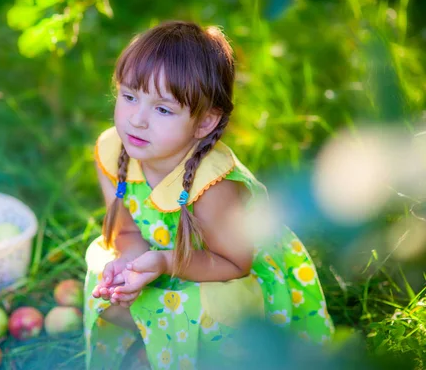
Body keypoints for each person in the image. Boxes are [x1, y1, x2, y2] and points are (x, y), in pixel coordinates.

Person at [83, 20, 335, 370]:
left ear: (204, 123)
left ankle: (200, 355)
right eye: (129, 96)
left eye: (162, 109)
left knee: (217, 307)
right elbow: (124, 230)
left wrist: (164, 262)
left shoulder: (213, 187)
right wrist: (132, 263)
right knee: (103, 277)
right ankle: (159, 342)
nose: (137, 120)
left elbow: (235, 264)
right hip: (165, 260)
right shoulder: (114, 151)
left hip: (226, 272)